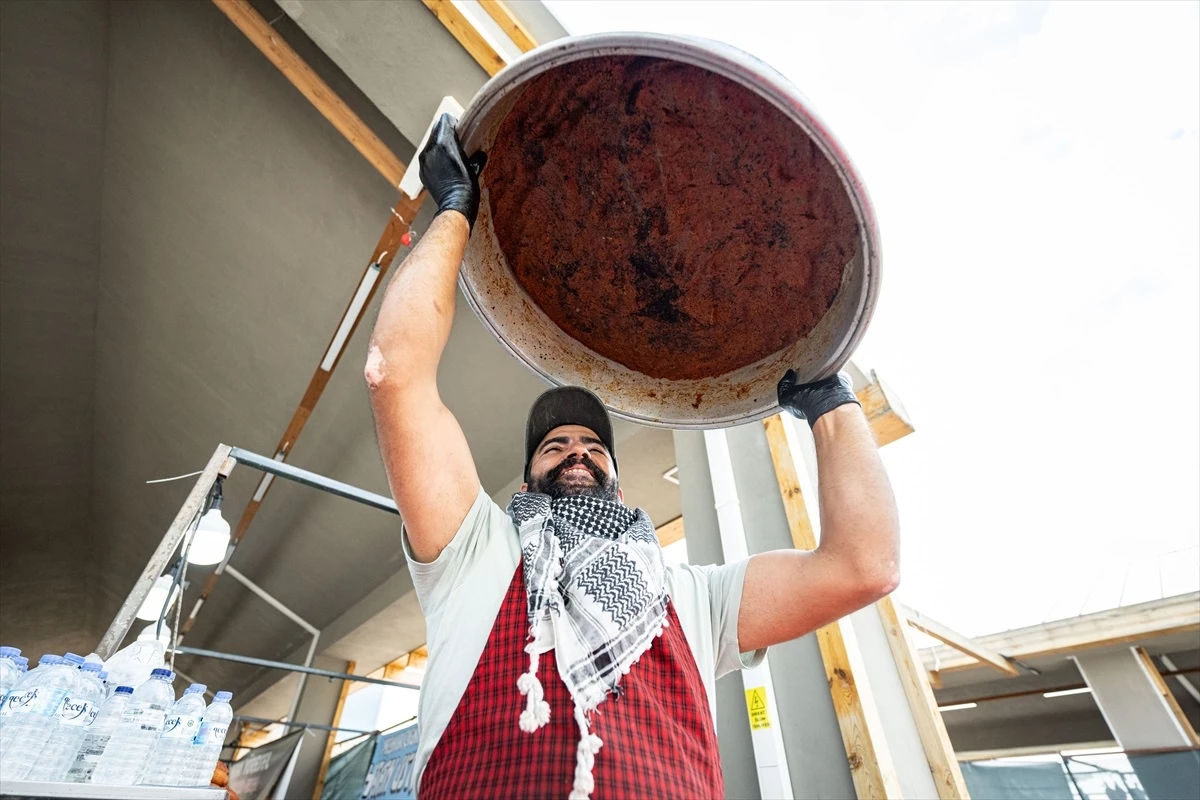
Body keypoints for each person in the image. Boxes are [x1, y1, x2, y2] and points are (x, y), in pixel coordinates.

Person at [365, 114, 901, 800]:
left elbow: (864, 565)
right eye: (554, 446)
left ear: (619, 484)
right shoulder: (474, 551)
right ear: (527, 476)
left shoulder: (695, 598)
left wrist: (831, 399)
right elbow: (395, 373)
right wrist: (455, 211)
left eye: (592, 445)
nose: (575, 452)